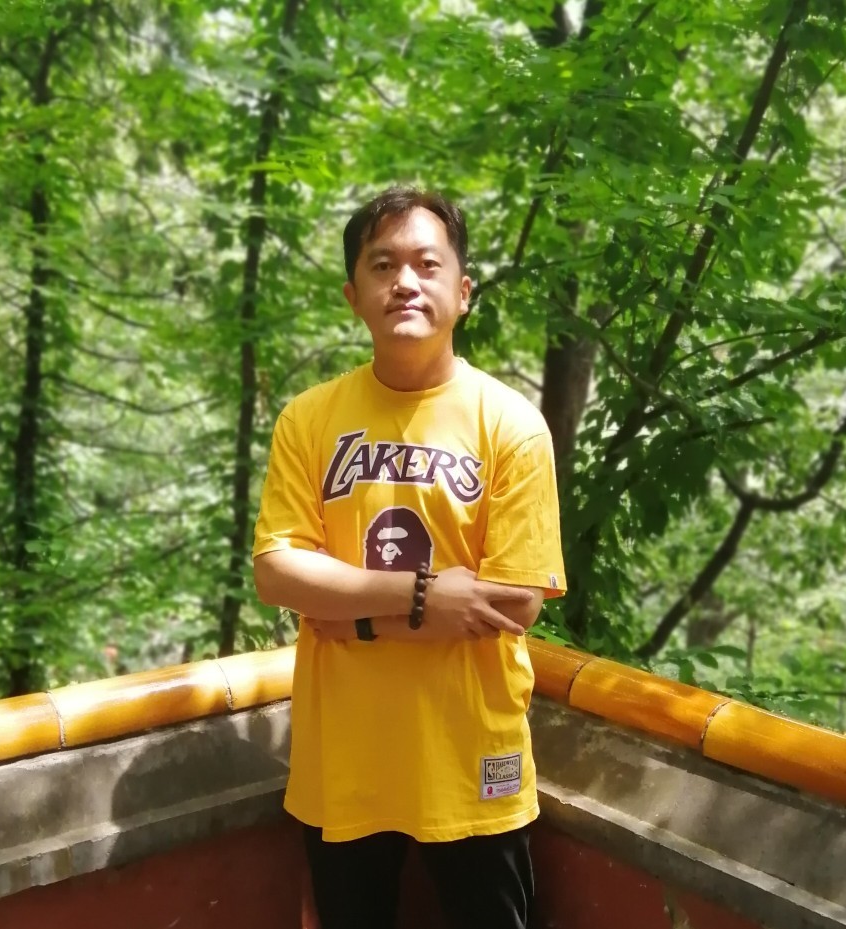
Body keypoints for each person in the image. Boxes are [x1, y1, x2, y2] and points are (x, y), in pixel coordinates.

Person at [252, 187, 566, 929]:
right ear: (353, 296)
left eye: (427, 264)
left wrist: (350, 618)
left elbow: (513, 602)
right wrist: (424, 596)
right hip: (345, 760)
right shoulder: (309, 419)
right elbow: (277, 571)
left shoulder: (511, 426)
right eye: (382, 265)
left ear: (463, 291)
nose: (405, 282)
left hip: (473, 756)